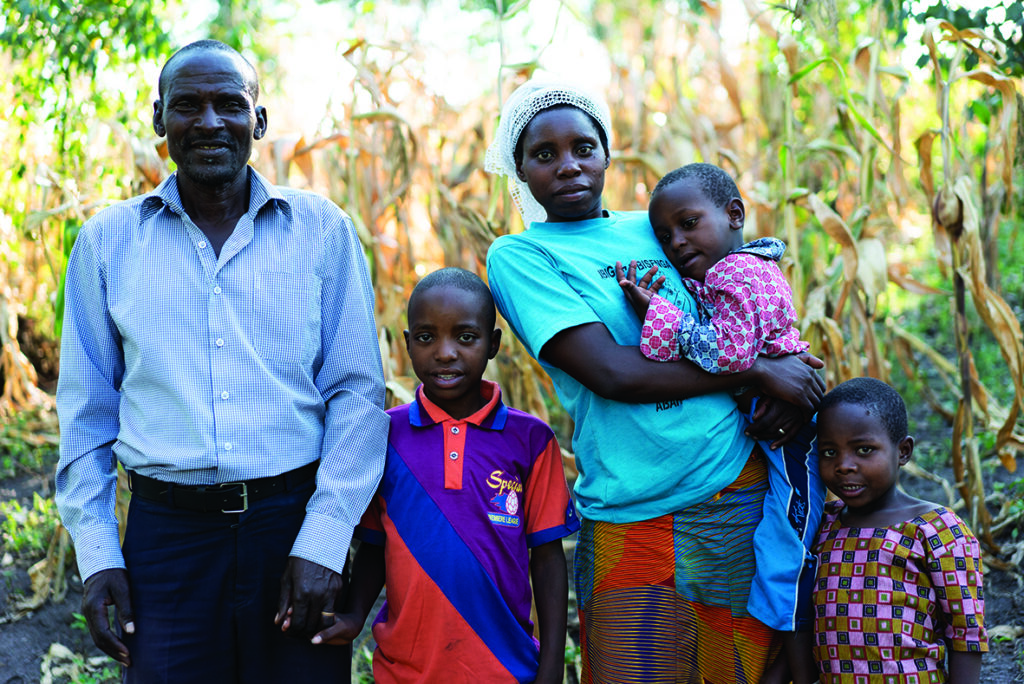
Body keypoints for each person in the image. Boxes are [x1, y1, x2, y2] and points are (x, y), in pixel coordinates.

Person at [54, 39, 389, 683]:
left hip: (291, 527)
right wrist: (97, 555)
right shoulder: (107, 243)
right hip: (166, 540)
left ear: (257, 120)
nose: (209, 122)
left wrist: (324, 538)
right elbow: (88, 412)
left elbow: (355, 394)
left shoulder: (321, 231)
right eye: (188, 105)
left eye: (229, 105)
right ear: (161, 119)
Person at [484, 77, 826, 683]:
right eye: (544, 154)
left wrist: (780, 383)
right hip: (631, 506)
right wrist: (758, 373)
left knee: (741, 673)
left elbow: (742, 308)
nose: (568, 165)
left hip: (732, 486)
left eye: (583, 148)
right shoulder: (522, 257)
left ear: (606, 153)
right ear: (521, 171)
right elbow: (613, 372)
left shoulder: (658, 227)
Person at [312, 267, 579, 683]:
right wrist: (354, 614)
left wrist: (550, 671)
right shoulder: (384, 433)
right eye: (426, 337)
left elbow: (547, 559)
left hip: (505, 669)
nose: (445, 353)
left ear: (493, 344)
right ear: (407, 344)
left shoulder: (530, 439)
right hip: (404, 671)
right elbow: (374, 546)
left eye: (465, 337)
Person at [616, 162, 825, 684]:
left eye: (689, 223)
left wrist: (660, 314)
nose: (677, 242)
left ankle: (798, 664)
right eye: (666, 236)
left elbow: (729, 354)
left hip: (791, 437)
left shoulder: (733, 274)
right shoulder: (736, 269)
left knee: (792, 551)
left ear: (734, 214)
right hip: (775, 425)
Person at [812, 377, 987, 683]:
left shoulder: (937, 530)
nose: (844, 465)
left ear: (903, 451)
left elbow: (966, 635)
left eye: (864, 449)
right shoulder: (823, 525)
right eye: (829, 452)